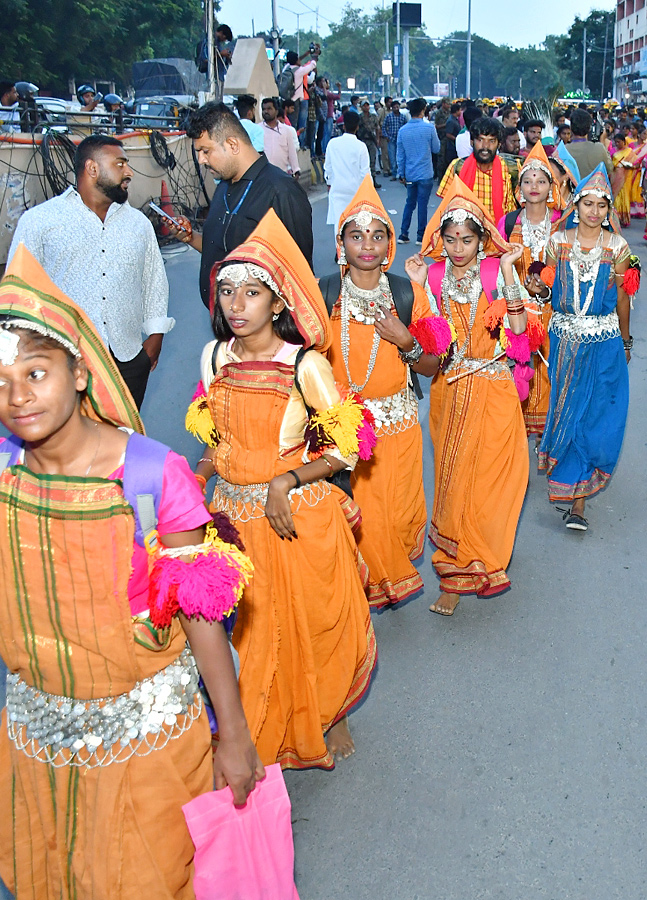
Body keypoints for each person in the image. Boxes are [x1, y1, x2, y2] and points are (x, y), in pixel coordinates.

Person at [0, 250, 261, 897]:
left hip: (148, 752)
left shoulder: (152, 474)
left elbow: (200, 617)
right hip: (37, 757)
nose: (17, 396)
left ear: (80, 372)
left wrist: (235, 735)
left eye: (36, 371)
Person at [188, 207, 377, 767]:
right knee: (246, 634)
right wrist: (197, 478)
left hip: (292, 513)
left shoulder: (305, 365)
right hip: (231, 518)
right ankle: (254, 728)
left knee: (310, 623)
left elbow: (347, 445)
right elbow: (213, 437)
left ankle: (327, 712)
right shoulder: (214, 357)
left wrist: (287, 479)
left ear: (278, 303)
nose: (237, 305)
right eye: (227, 292)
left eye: (251, 293)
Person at [319, 177, 454, 606]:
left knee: (394, 517)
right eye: (356, 236)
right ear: (342, 243)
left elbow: (433, 366)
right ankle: (359, 593)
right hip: (345, 432)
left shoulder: (407, 294)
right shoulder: (324, 295)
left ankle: (379, 579)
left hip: (397, 428)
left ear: (390, 244)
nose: (367, 245)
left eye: (378, 235)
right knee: (357, 517)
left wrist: (406, 341)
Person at [415, 178, 538, 616]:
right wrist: (415, 287)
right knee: (452, 484)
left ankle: (483, 557)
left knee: (494, 479)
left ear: (481, 239)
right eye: (450, 240)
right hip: (449, 390)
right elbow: (426, 338)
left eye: (467, 239)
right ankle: (452, 576)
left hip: (495, 387)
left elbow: (521, 335)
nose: (458, 248)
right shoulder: (432, 275)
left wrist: (507, 274)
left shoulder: (492, 272)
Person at [8, 134, 171, 409]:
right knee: (69, 445)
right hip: (66, 359)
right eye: (120, 164)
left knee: (122, 441)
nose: (128, 172)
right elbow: (17, 289)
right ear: (92, 168)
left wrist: (155, 338)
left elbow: (154, 281)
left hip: (128, 359)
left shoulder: (138, 224)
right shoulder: (41, 221)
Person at [538, 164, 634, 531]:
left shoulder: (618, 247)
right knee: (569, 414)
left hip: (605, 342)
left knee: (597, 417)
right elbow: (546, 290)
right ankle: (571, 485)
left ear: (609, 211)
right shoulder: (557, 242)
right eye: (588, 204)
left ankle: (578, 503)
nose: (594, 212)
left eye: (601, 206)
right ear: (576, 206)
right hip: (563, 342)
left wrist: (627, 340)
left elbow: (624, 298)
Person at [176, 102, 315, 306]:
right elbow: (221, 248)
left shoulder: (281, 191)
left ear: (233, 145)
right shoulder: (224, 186)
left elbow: (300, 275)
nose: (201, 160)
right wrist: (190, 238)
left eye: (205, 151)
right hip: (225, 321)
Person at [497, 142, 565, 441]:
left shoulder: (562, 225)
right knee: (519, 372)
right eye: (527, 181)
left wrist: (549, 290)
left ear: (552, 187)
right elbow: (494, 267)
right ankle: (516, 439)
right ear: (519, 188)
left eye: (541, 180)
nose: (533, 186)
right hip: (517, 313)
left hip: (554, 314)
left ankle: (551, 437)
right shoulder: (508, 222)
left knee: (553, 375)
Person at [437, 116, 520, 226]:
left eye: (491, 141)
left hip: (501, 237)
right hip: (466, 238)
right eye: (480, 140)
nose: (485, 146)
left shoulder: (511, 169)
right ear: (472, 142)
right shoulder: (457, 167)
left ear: (499, 144)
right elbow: (445, 208)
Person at [397, 98, 441, 245]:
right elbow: (436, 148)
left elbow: (400, 155)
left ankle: (404, 233)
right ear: (423, 110)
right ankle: (420, 235)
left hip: (409, 172)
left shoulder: (403, 131)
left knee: (409, 203)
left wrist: (400, 173)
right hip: (425, 172)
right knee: (423, 204)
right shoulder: (429, 128)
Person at [325, 109, 372, 239]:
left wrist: (329, 183)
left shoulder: (332, 143)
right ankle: (353, 250)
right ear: (357, 127)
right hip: (356, 190)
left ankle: (340, 251)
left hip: (338, 189)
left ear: (343, 125)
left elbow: (328, 168)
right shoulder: (361, 146)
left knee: (339, 223)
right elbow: (365, 172)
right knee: (356, 223)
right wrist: (369, 191)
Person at [565, 108, 613, 185]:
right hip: (593, 194)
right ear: (589, 128)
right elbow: (609, 169)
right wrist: (602, 140)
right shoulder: (599, 148)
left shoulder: (563, 150)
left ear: (570, 127)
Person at [262, 97, 300, 177]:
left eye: (269, 109)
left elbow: (292, 152)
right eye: (264, 109)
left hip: (282, 175)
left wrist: (296, 170)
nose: (266, 111)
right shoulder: (258, 130)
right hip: (262, 176)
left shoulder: (286, 130)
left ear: (276, 111)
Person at [382, 99, 407, 180]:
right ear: (392, 108)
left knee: (400, 157)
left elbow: (406, 127)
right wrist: (386, 136)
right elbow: (384, 127)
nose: (396, 108)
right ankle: (394, 173)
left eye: (397, 107)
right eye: (394, 107)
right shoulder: (389, 117)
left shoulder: (403, 117)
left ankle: (401, 174)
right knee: (392, 157)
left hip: (400, 140)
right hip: (391, 139)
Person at [358, 100, 382, 178]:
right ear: (361, 107)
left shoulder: (373, 116)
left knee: (372, 160)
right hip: (362, 140)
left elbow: (377, 128)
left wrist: (377, 139)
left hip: (371, 140)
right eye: (364, 106)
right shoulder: (359, 117)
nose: (366, 107)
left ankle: (373, 178)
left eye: (367, 105)